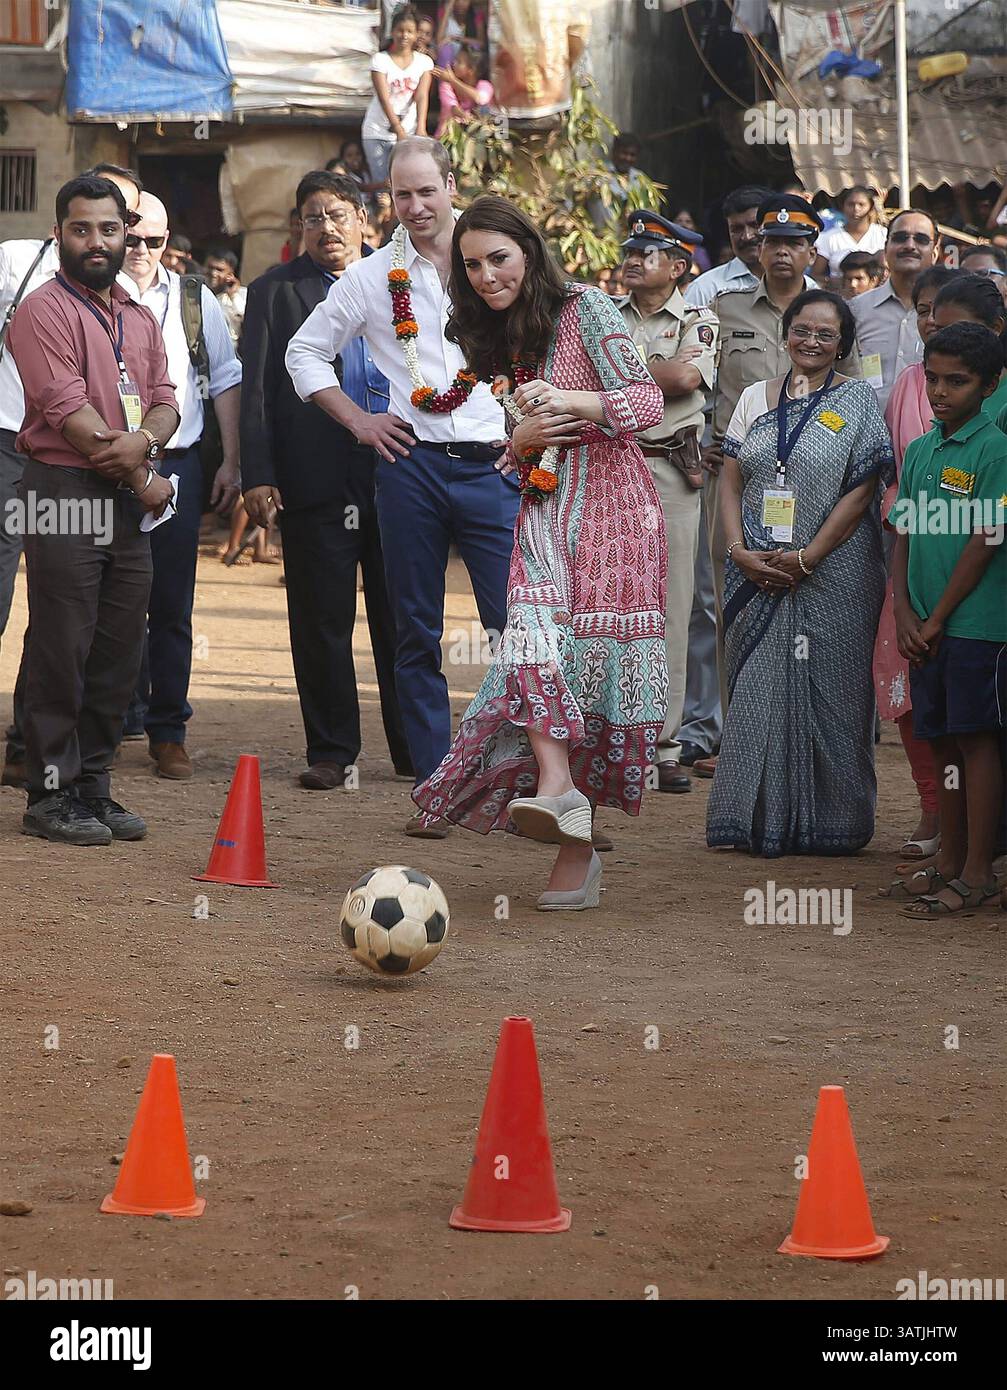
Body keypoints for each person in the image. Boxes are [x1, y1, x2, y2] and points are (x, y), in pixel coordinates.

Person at [412, 195, 667, 909]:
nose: (488, 275)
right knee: (529, 639)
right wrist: (521, 440)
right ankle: (555, 790)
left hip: (615, 510)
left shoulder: (583, 307)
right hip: (546, 506)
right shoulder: (493, 336)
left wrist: (572, 401)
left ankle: (574, 857)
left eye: (499, 257)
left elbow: (645, 404)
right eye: (473, 264)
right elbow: (521, 446)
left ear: (528, 251)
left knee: (584, 672)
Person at [285, 138, 519, 838]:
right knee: (413, 632)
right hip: (409, 467)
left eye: (426, 191)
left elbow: (545, 339)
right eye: (401, 195)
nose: (415, 207)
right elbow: (304, 351)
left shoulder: (495, 260)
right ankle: (437, 787)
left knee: (517, 628)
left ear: (451, 184)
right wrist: (358, 420)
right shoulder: (369, 276)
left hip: (496, 468)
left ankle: (523, 782)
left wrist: (529, 430)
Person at [6, 175, 177, 844]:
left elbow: (165, 399)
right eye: (82, 229)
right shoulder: (41, 312)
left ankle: (93, 787)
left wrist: (145, 440)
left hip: (123, 497)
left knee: (117, 647)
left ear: (124, 234)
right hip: (62, 491)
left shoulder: (137, 316)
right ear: (60, 235)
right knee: (62, 643)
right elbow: (73, 420)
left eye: (109, 229)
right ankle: (48, 794)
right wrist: (143, 475)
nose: (97, 241)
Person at [241, 170, 410, 791]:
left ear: (365, 221)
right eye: (312, 217)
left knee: (403, 616)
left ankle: (415, 749)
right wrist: (257, 474)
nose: (326, 228)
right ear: (298, 228)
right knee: (320, 620)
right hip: (314, 481)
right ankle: (332, 751)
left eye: (338, 215)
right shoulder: (275, 293)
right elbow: (258, 387)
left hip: (400, 471)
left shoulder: (404, 279)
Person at [707, 289, 892, 855]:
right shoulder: (754, 398)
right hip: (755, 569)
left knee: (833, 691)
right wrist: (739, 552)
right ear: (785, 334)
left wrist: (809, 557)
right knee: (759, 688)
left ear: (842, 346)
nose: (811, 341)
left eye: (825, 334)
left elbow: (861, 491)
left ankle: (832, 824)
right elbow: (732, 479)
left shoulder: (859, 399)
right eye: (802, 330)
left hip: (837, 572)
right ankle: (758, 821)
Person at [700, 194, 860, 778]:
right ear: (757, 248)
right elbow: (703, 384)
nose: (783, 251)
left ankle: (820, 740)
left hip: (823, 489)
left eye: (795, 243)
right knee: (732, 609)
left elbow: (856, 395)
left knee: (820, 615)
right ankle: (737, 734)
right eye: (773, 242)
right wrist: (701, 445)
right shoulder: (723, 307)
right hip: (737, 479)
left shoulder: (836, 312)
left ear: (811, 249)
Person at [117, 192, 242, 780]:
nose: (142, 251)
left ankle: (168, 730)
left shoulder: (195, 300)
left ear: (170, 242)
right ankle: (109, 718)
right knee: (102, 598)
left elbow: (225, 380)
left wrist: (232, 462)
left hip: (179, 463)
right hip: (102, 465)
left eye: (155, 241)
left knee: (171, 601)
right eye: (132, 237)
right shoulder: (88, 295)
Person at [891, 322, 1006, 916]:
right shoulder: (921, 448)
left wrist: (935, 617)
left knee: (977, 742)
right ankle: (950, 859)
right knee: (942, 746)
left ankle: (981, 868)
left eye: (957, 382)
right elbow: (904, 533)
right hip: (926, 629)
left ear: (989, 386)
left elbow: (986, 539)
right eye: (933, 378)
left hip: (977, 627)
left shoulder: (998, 449)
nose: (939, 391)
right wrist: (906, 612)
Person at [615, 212, 718, 794]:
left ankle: (665, 746)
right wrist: (647, 373)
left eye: (647, 252)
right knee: (607, 607)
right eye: (630, 249)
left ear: (678, 267)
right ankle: (614, 738)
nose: (632, 259)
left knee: (673, 610)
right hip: (609, 468)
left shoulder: (700, 319)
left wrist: (623, 372)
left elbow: (682, 379)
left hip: (672, 471)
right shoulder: (605, 310)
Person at [873, 265, 961, 863]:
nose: (932, 322)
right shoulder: (907, 383)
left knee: (971, 689)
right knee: (902, 677)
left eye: (945, 315)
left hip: (975, 553)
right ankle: (933, 804)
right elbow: (893, 468)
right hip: (909, 550)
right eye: (924, 311)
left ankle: (970, 828)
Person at [850, 209, 940, 410]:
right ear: (886, 248)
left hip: (933, 436)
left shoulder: (948, 312)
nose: (910, 245)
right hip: (868, 435)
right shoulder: (855, 310)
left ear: (935, 252)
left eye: (921, 239)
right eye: (900, 238)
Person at [362, 5, 433, 189]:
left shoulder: (424, 63)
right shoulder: (380, 60)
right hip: (377, 131)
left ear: (417, 34)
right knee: (384, 188)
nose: (404, 35)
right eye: (400, 30)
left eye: (409, 31)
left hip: (408, 132)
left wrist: (421, 128)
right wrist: (398, 128)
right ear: (393, 31)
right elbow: (384, 98)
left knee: (406, 184)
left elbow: (422, 96)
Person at [683, 187, 773, 310]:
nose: (747, 237)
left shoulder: (803, 287)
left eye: (755, 226)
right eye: (737, 229)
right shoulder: (705, 289)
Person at [813, 185, 887, 284]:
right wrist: (836, 283)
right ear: (843, 207)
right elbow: (816, 274)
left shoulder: (882, 234)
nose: (856, 209)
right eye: (851, 204)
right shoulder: (829, 237)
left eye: (861, 204)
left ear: (870, 207)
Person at [433, 41, 494, 138]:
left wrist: (453, 80)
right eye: (455, 60)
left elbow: (481, 99)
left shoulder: (485, 85)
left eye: (459, 62)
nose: (454, 63)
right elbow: (453, 108)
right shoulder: (446, 85)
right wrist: (467, 117)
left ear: (471, 70)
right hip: (447, 137)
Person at [204, 248, 247, 345]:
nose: (213, 273)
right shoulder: (195, 294)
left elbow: (245, 319)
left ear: (230, 274)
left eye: (219, 270)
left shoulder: (243, 295)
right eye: (210, 267)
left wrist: (233, 296)